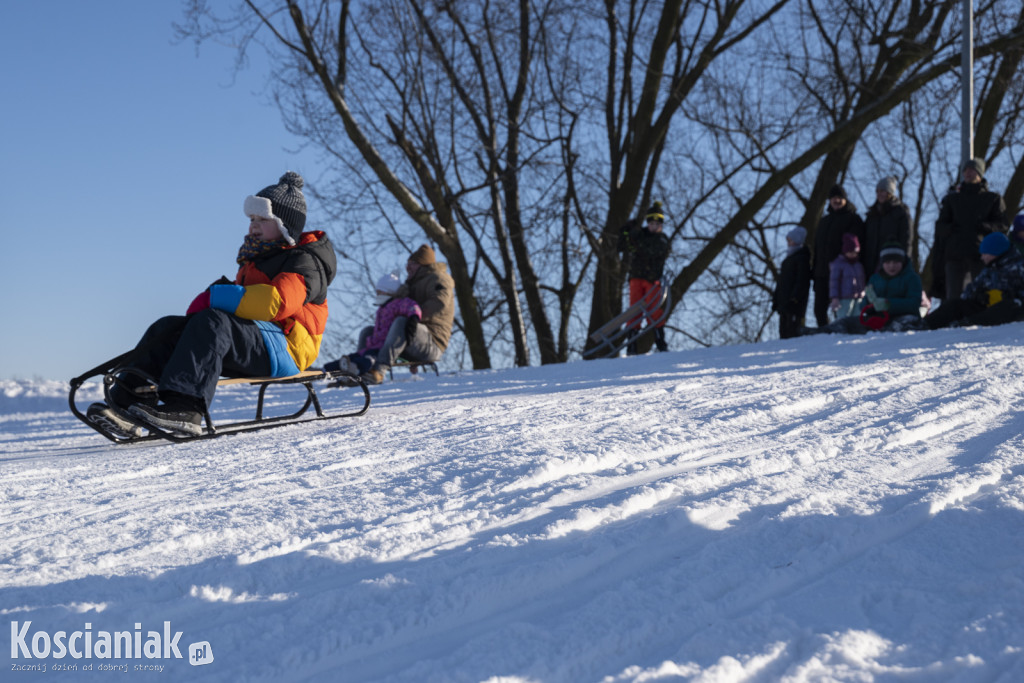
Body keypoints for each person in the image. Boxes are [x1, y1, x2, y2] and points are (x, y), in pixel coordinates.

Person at [86, 172, 337, 437]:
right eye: (252, 219)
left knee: (213, 322)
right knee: (169, 327)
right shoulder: (255, 259)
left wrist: (216, 298)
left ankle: (186, 407)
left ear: (286, 225)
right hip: (258, 341)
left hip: (288, 347)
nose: (254, 225)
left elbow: (276, 303)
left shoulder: (306, 260)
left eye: (263, 219)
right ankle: (128, 403)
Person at [360, 244, 455, 385]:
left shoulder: (439, 279)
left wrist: (412, 318)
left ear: (423, 265)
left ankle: (379, 371)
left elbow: (439, 303)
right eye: (408, 264)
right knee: (368, 331)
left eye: (413, 264)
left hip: (432, 342)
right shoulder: (411, 284)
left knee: (401, 322)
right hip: (411, 338)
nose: (408, 267)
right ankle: (359, 369)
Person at [930, 158, 1008, 301]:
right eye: (965, 170)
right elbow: (940, 226)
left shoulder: (992, 199)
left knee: (982, 295)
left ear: (979, 173)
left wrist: (983, 227)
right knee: (953, 297)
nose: (968, 173)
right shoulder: (952, 200)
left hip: (982, 255)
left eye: (972, 170)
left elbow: (1002, 225)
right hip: (954, 255)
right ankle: (952, 322)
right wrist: (952, 229)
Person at [804, 244, 922, 335]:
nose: (891, 266)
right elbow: (863, 306)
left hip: (904, 318)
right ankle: (819, 332)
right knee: (845, 322)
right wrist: (870, 302)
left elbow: (914, 303)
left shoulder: (912, 278)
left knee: (902, 324)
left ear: (902, 262)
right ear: (882, 263)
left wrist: (889, 304)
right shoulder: (875, 279)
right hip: (878, 319)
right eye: (888, 262)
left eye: (896, 262)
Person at [918, 232, 1024, 330]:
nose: (982, 257)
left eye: (985, 253)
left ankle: (967, 324)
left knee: (1010, 305)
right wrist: (979, 296)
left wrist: (1010, 296)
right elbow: (967, 293)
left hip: (1011, 311)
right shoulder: (989, 270)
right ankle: (925, 324)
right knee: (955, 304)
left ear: (995, 252)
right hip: (986, 310)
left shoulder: (1019, 267)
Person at [324, 271, 422, 377]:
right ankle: (327, 369)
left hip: (383, 347)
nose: (377, 295)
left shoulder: (399, 303)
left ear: (388, 291)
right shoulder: (382, 307)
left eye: (380, 292)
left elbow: (413, 307)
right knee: (354, 356)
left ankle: (355, 369)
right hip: (373, 344)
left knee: (368, 359)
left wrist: (413, 319)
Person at [617, 201, 672, 353]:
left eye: (657, 223)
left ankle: (661, 342)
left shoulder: (662, 240)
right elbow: (622, 246)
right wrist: (626, 232)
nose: (654, 226)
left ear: (661, 225)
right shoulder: (639, 235)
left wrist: (637, 240)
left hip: (652, 279)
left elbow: (653, 252)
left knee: (654, 310)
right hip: (636, 277)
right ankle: (631, 346)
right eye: (651, 223)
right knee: (634, 310)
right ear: (648, 223)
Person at [812, 184, 865, 326]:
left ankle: (843, 334)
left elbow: (856, 247)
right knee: (819, 309)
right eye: (833, 198)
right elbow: (817, 247)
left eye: (839, 198)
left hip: (843, 273)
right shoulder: (824, 221)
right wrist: (815, 270)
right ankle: (824, 334)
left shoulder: (853, 219)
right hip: (821, 272)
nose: (836, 200)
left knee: (842, 309)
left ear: (845, 199)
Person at [862, 177, 914, 277]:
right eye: (877, 191)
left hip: (892, 262)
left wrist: (904, 260)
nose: (879, 194)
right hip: (870, 264)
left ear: (890, 193)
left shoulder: (901, 213)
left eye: (882, 191)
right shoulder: (872, 215)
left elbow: (906, 239)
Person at [772, 226, 811, 339]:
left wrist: (795, 297)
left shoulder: (802, 259)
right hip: (783, 301)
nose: (788, 243)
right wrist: (776, 299)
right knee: (783, 329)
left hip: (794, 303)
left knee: (792, 330)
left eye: (791, 240)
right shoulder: (787, 260)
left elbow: (802, 281)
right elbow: (781, 282)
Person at [828, 233, 866, 319]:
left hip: (859, 298)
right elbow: (834, 283)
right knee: (843, 319)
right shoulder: (838, 264)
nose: (853, 254)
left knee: (858, 319)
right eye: (850, 252)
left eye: (855, 252)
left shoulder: (858, 265)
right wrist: (835, 298)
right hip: (844, 299)